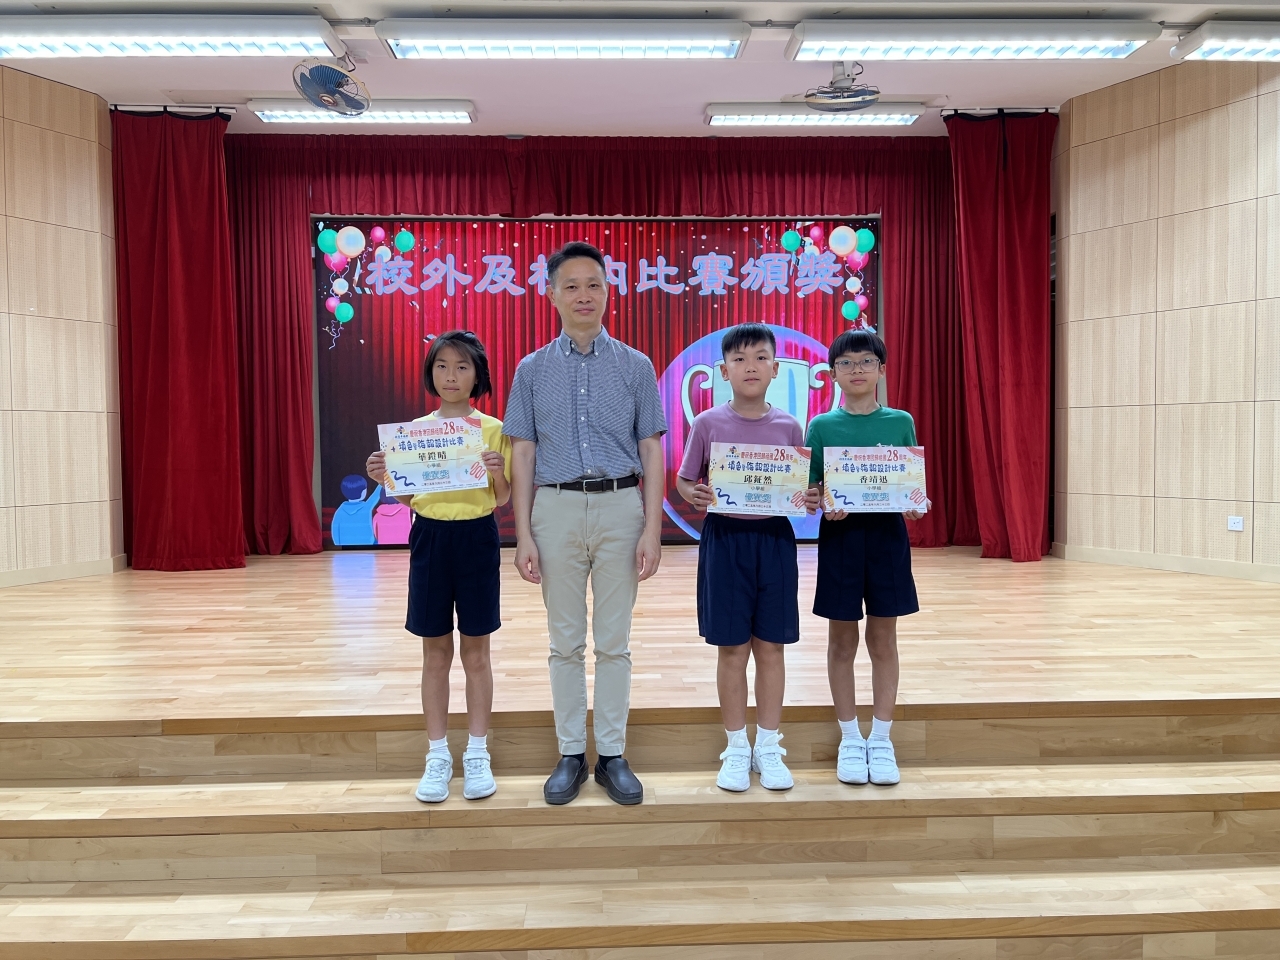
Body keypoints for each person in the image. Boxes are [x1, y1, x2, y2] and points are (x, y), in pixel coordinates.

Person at [503, 241, 667, 807]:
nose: (583, 295)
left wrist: (652, 528)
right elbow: (523, 453)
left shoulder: (636, 365)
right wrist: (523, 533)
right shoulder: (531, 369)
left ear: (607, 292)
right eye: (570, 285)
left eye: (593, 284)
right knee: (565, 642)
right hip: (555, 508)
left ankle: (613, 754)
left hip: (622, 507)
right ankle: (571, 753)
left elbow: (651, 449)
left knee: (614, 642)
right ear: (550, 294)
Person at [366, 331, 512, 804]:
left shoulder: (493, 429)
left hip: (478, 538)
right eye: (442, 366)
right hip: (430, 538)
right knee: (434, 653)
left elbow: (502, 498)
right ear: (431, 374)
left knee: (477, 652)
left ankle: (477, 752)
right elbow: (410, 497)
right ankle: (436, 755)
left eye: (462, 366)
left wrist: (497, 471)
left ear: (477, 375)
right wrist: (386, 477)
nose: (452, 376)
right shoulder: (414, 432)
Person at [676, 323, 819, 793]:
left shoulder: (789, 426)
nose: (750, 366)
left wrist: (809, 497)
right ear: (724, 371)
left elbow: (801, 487)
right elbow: (685, 480)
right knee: (732, 648)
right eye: (739, 359)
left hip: (774, 541)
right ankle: (737, 746)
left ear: (776, 369)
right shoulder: (707, 423)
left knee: (771, 647)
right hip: (725, 540)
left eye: (760, 358)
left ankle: (769, 745)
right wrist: (693, 493)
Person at [805, 329, 926, 787]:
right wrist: (822, 500)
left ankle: (881, 737)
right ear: (832, 372)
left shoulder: (899, 421)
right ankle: (850, 738)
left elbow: (910, 482)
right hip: (841, 538)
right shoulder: (821, 426)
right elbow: (812, 489)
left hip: (887, 539)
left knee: (883, 640)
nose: (856, 369)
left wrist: (915, 502)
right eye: (846, 363)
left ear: (881, 369)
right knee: (842, 641)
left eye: (866, 361)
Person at [331, 475, 383, 545]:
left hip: (346, 546)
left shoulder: (339, 511)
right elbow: (376, 495)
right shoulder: (366, 507)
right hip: (368, 545)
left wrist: (339, 545)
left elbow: (335, 531)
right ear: (363, 492)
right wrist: (383, 480)